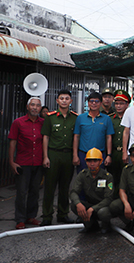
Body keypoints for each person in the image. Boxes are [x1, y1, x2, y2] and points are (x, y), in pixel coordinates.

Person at [40, 89, 78, 226]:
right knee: (49, 186)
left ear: (71, 101)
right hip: (53, 154)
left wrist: (74, 155)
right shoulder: (50, 117)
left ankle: (63, 214)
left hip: (68, 155)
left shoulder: (75, 117)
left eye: (67, 98)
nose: (64, 101)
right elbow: (45, 137)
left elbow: (76, 138)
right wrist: (45, 156)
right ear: (57, 100)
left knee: (64, 187)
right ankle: (47, 216)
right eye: (61, 98)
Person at [8, 97, 44, 229]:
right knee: (22, 192)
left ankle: (31, 216)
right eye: (32, 105)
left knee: (35, 191)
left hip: (38, 162)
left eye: (38, 105)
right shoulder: (18, 122)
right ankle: (20, 219)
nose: (35, 107)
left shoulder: (43, 123)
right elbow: (12, 142)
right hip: (23, 162)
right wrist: (11, 162)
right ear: (28, 107)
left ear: (41, 108)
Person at [69, 148, 113, 233]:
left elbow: (108, 199)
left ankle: (106, 226)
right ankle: (91, 225)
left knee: (103, 212)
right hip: (90, 205)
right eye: (89, 161)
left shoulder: (107, 176)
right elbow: (74, 191)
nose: (92, 164)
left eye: (95, 161)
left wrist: (93, 208)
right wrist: (78, 204)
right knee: (74, 205)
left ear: (100, 162)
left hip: (102, 207)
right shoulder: (83, 175)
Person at [72, 92, 114, 173]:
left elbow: (108, 137)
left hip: (100, 155)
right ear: (88, 103)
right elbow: (76, 136)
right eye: (91, 101)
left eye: (97, 101)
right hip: (83, 154)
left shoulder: (106, 119)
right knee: (82, 180)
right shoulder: (80, 118)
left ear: (101, 103)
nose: (94, 103)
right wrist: (75, 155)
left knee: (99, 181)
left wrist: (109, 155)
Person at [109, 89, 130, 198]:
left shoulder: (132, 117)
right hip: (113, 152)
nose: (118, 106)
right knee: (113, 179)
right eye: (116, 103)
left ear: (127, 104)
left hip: (126, 153)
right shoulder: (110, 119)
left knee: (126, 180)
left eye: (121, 103)